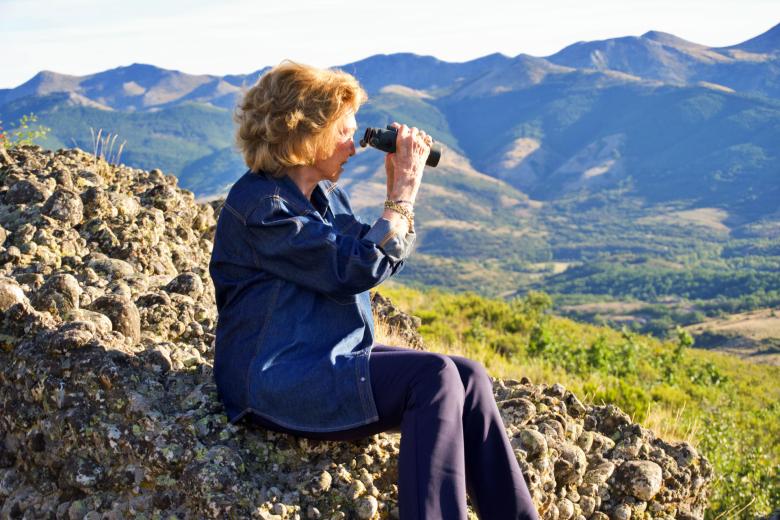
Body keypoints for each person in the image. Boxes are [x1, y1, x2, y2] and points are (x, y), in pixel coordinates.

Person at [209, 61, 539, 520]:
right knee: (433, 380)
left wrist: (396, 195)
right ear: (308, 135)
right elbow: (353, 267)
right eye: (345, 131)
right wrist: (402, 192)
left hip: (323, 356)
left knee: (467, 375)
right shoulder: (262, 209)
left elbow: (375, 256)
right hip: (274, 379)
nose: (355, 144)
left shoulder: (323, 196)